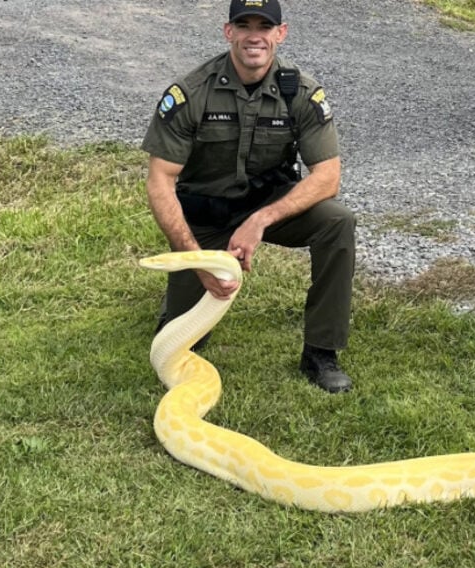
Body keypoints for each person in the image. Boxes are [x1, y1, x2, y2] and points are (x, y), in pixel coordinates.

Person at [141, 0, 355, 394]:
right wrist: (195, 260)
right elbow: (160, 182)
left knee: (338, 221)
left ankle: (321, 352)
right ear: (229, 32)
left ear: (280, 33)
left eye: (264, 26)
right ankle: (180, 297)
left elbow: (328, 177)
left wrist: (259, 221)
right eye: (244, 25)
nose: (254, 35)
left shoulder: (301, 93)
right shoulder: (191, 93)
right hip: (206, 216)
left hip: (266, 208)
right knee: (180, 342)